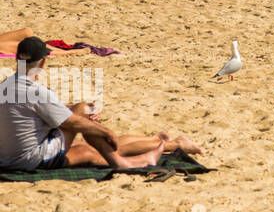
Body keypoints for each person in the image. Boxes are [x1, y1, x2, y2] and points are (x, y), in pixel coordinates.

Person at [0, 37, 202, 170]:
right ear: (43, 62)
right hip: (29, 159)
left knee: (84, 142)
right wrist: (104, 131)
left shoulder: (6, 85)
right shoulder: (35, 91)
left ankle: (162, 142)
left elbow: (41, 112)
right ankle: (125, 161)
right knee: (85, 122)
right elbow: (73, 124)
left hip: (10, 155)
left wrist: (83, 117)